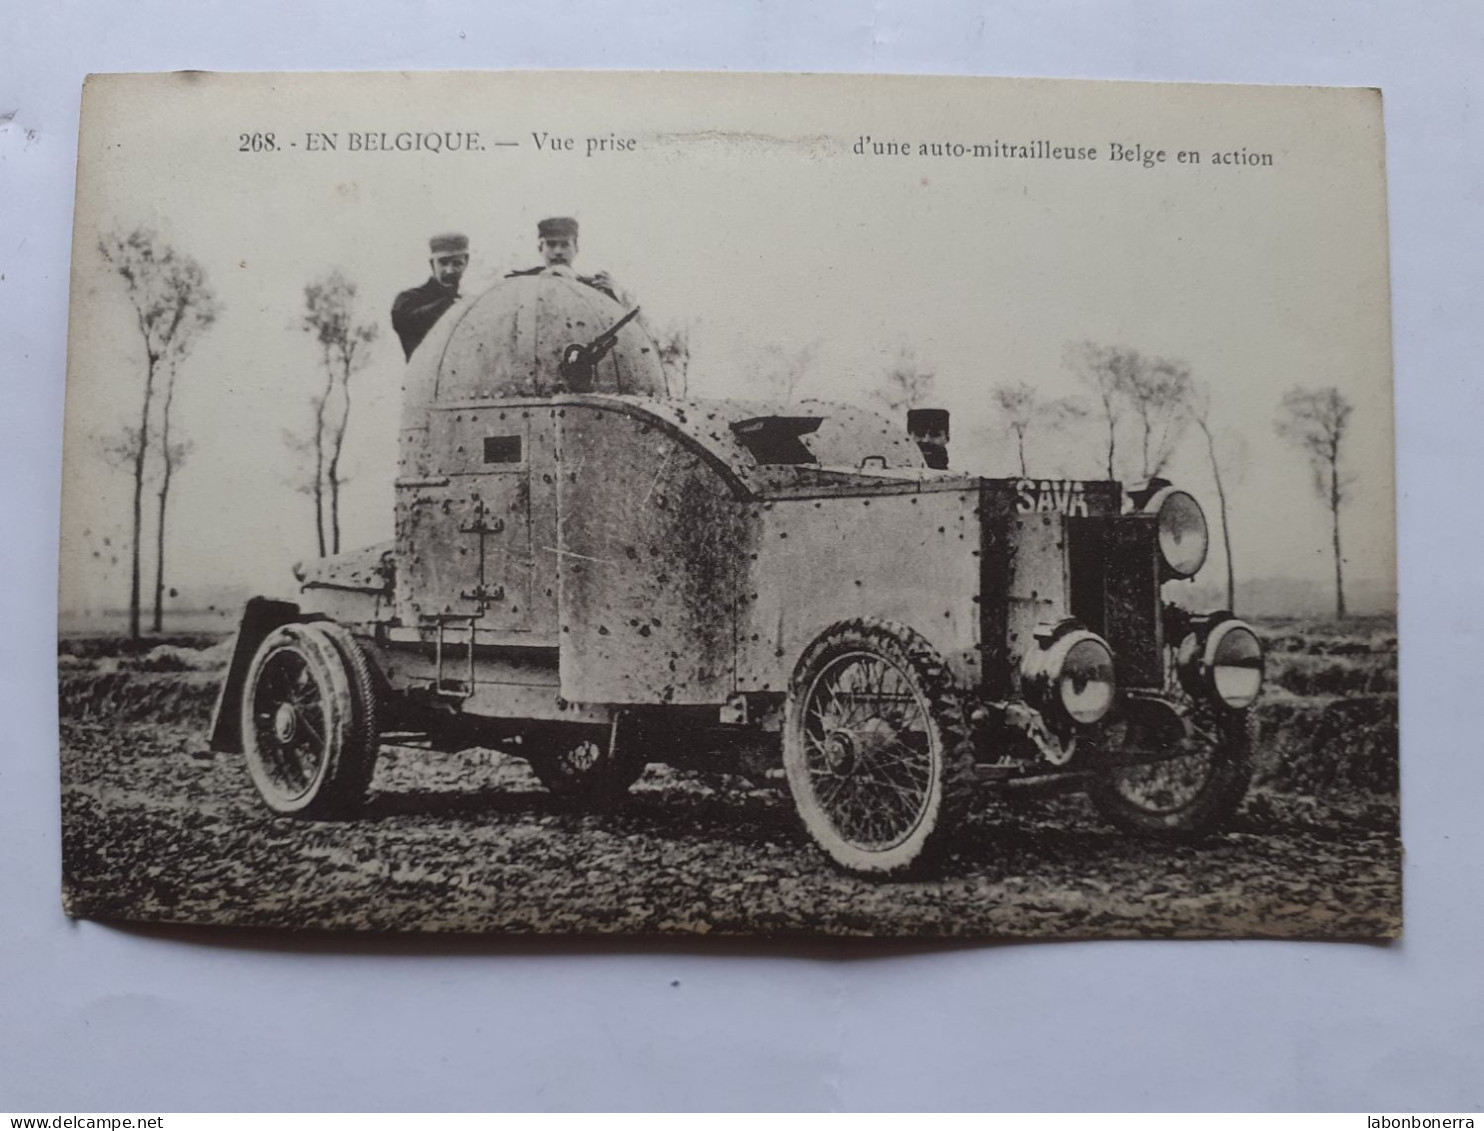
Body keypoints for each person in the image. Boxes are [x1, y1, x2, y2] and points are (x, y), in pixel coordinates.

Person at [505, 217, 625, 302]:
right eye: (551, 244)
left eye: (565, 245)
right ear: (540, 248)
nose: (558, 252)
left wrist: (614, 296)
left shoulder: (593, 287)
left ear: (576, 249)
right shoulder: (520, 283)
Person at [391, 233, 469, 360]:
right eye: (443, 263)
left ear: (466, 263)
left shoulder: (467, 302)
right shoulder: (409, 299)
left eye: (457, 263)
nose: (449, 270)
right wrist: (451, 303)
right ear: (432, 264)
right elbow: (408, 321)